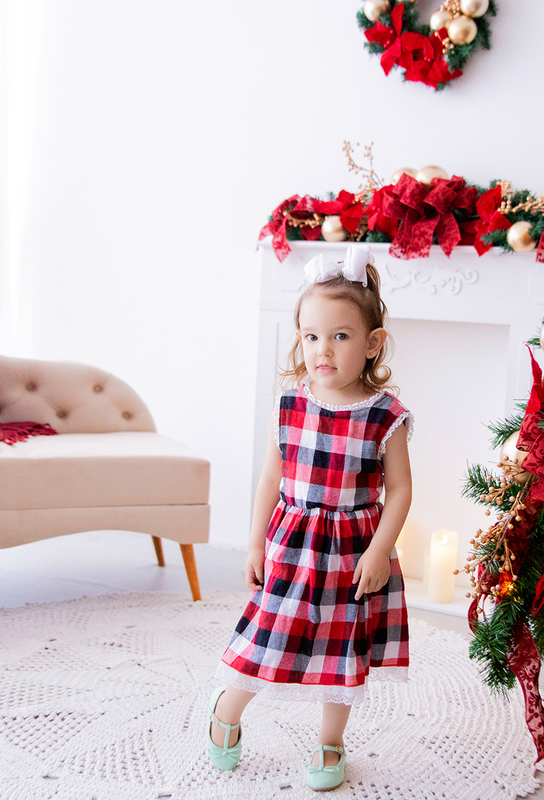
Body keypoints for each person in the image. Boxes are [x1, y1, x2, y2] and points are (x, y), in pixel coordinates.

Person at [206, 244, 413, 791]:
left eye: (341, 336)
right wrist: (254, 545)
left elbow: (400, 492)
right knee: (271, 637)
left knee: (340, 650)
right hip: (293, 545)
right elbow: (270, 481)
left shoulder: (385, 415)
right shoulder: (291, 405)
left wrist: (378, 552)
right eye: (312, 335)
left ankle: (330, 742)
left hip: (352, 551)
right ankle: (225, 711)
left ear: (372, 344)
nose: (323, 349)